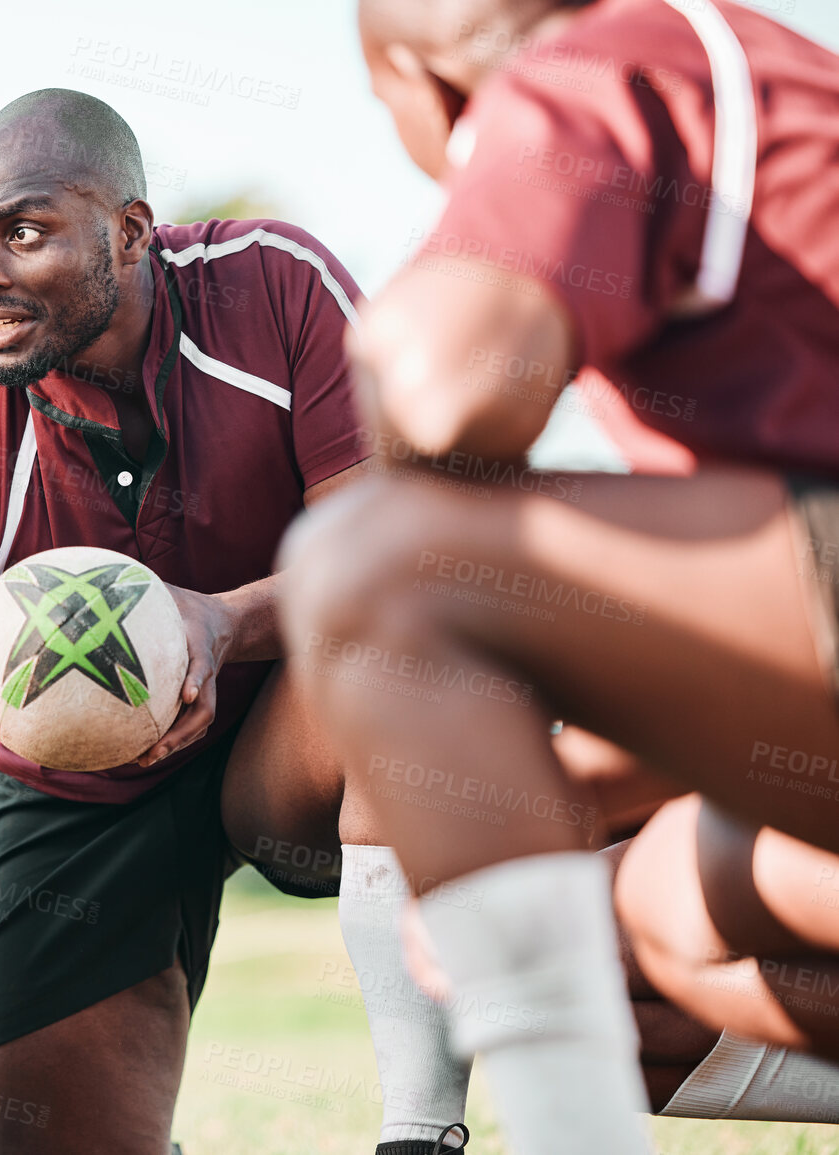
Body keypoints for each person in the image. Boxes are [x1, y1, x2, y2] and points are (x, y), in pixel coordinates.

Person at [0, 88, 477, 1155]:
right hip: (87, 786)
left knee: (407, 625)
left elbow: (394, 557)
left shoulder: (275, 284)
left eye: (22, 232)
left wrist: (219, 625)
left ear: (130, 233)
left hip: (304, 726)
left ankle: (419, 1130)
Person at [277, 0, 839, 1151]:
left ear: (420, 87)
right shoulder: (767, 82)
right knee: (637, 929)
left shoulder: (608, 61)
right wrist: (512, 842)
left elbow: (444, 387)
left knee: (375, 566)